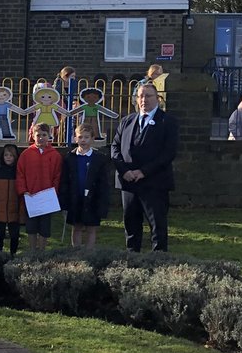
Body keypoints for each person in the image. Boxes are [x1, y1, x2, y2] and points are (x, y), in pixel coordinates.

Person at [110, 82, 178, 253]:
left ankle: (158, 262)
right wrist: (124, 171)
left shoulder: (167, 121)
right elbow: (115, 147)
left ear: (157, 99)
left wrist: (143, 171)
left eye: (148, 96)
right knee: (131, 224)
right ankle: (132, 260)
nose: (143, 99)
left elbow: (168, 153)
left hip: (154, 182)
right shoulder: (127, 121)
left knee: (157, 226)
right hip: (129, 183)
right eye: (140, 96)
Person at [59, 122, 112, 248]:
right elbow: (65, 180)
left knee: (91, 228)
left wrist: (102, 202)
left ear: (92, 139)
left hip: (93, 198)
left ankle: (89, 254)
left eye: (86, 137)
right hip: (75, 197)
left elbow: (104, 183)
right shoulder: (69, 157)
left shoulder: (100, 158)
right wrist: (64, 201)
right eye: (80, 137)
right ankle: (76, 253)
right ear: (75, 138)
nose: (83, 140)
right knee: (76, 227)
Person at [16, 123, 62, 251]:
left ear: (49, 136)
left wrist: (54, 193)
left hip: (47, 197)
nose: (41, 138)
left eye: (44, 135)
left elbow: (57, 176)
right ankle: (32, 250)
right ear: (33, 136)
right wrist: (24, 191)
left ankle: (42, 251)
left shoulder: (55, 155)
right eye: (38, 135)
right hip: (30, 196)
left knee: (44, 226)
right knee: (31, 226)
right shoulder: (26, 154)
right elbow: (20, 174)